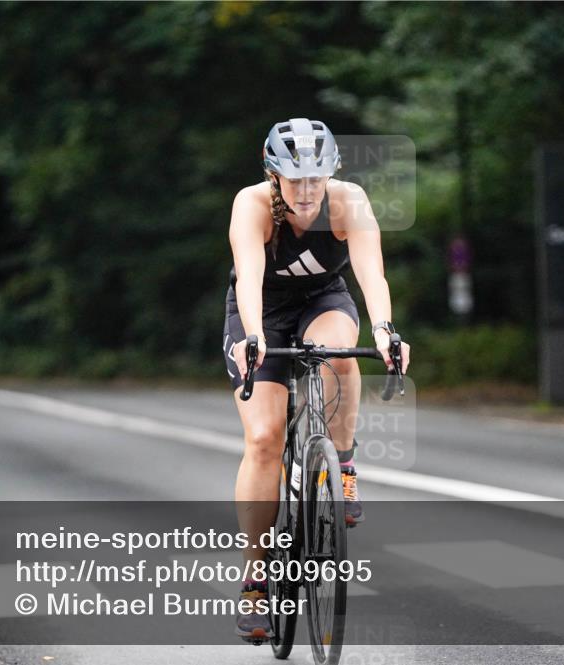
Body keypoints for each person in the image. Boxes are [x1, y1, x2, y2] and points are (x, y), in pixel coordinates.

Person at [223, 118, 411, 641]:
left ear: (332, 173)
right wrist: (255, 336)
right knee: (263, 439)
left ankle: (342, 461)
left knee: (338, 352)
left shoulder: (349, 201)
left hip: (324, 299)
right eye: (294, 179)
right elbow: (250, 273)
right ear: (272, 174)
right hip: (260, 310)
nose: (306, 192)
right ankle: (256, 578)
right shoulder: (252, 205)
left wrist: (386, 330)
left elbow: (371, 272)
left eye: (316, 179)